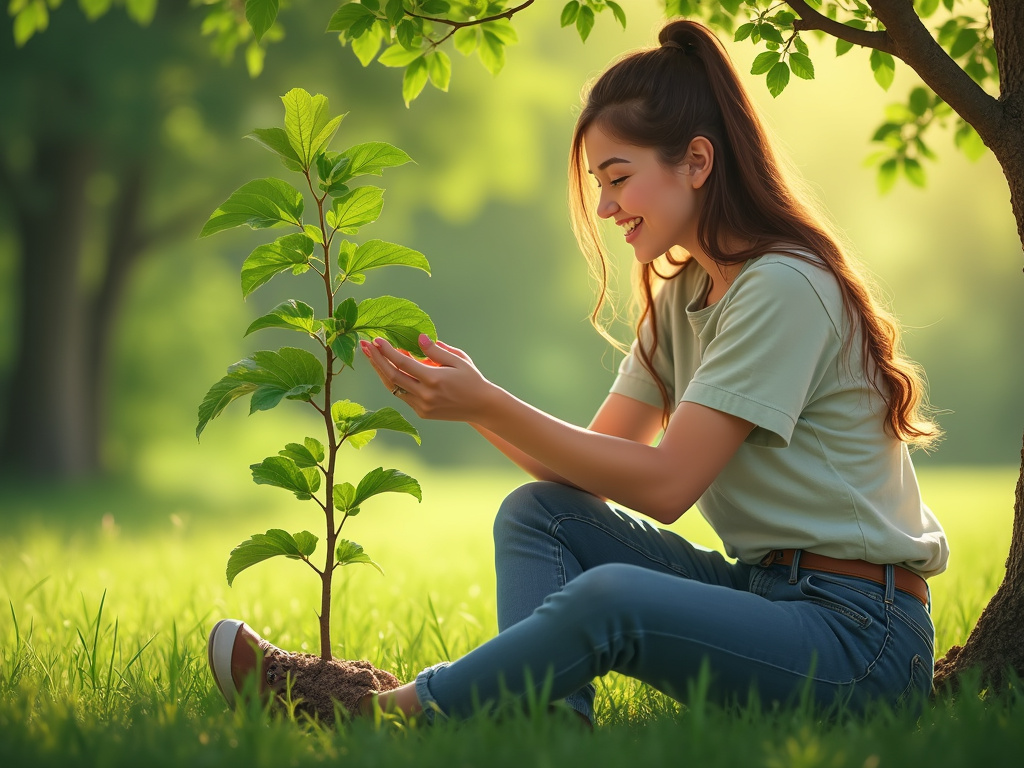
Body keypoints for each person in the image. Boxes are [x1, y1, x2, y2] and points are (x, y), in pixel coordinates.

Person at [208, 18, 948, 726]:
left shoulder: (784, 286)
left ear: (696, 161)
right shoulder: (683, 297)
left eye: (618, 177)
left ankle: (380, 716)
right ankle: (550, 724)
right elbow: (585, 478)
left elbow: (665, 486)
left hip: (863, 638)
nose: (603, 205)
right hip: (769, 592)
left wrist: (491, 402)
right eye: (600, 182)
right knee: (540, 513)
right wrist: (474, 405)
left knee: (611, 597)